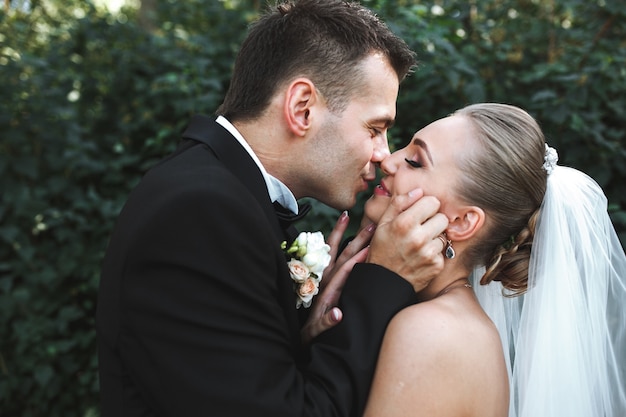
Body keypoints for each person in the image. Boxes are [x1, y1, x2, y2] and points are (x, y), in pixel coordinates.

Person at [96, 1, 450, 416]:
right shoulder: (202, 213)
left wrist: (310, 331)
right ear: (302, 108)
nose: (382, 155)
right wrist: (383, 282)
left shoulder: (220, 195)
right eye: (375, 128)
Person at [359, 103, 626, 417]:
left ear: (461, 222)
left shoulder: (434, 331)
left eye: (415, 162)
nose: (388, 161)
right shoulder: (440, 316)